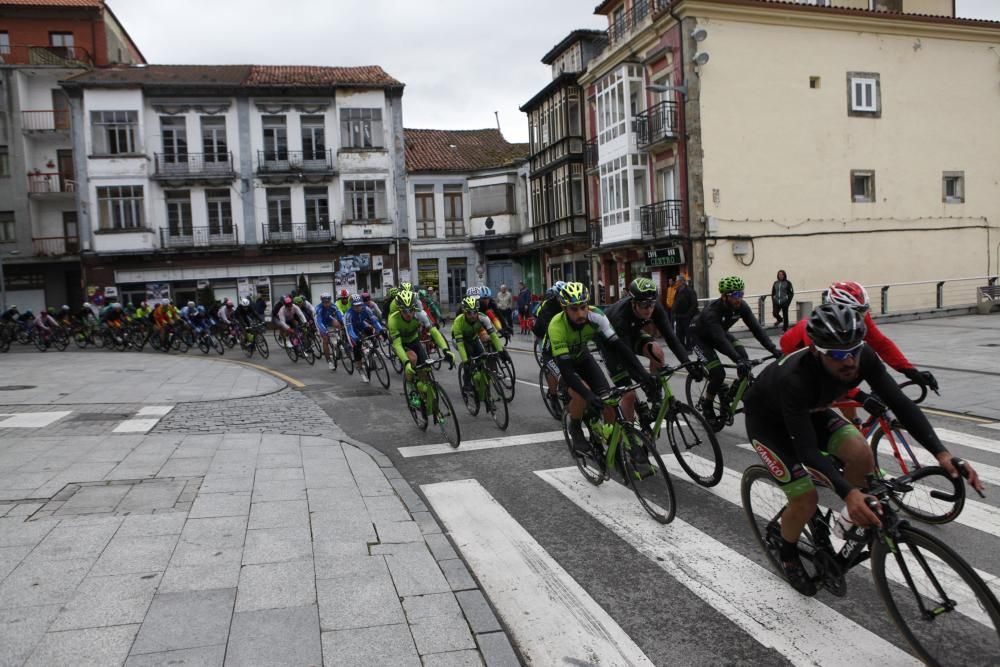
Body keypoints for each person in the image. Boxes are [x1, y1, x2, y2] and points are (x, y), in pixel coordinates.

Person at [743, 303, 983, 596]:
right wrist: (849, 492)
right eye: (838, 355)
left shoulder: (862, 355)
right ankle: (788, 551)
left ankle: (849, 519)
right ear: (817, 351)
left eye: (854, 350)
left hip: (811, 411)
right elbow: (806, 450)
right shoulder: (796, 378)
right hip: (769, 425)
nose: (850, 362)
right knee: (805, 498)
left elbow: (900, 403)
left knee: (861, 453)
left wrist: (942, 453)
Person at [547, 282, 658, 457]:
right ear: (564, 308)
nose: (580, 313)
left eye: (583, 307)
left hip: (581, 355)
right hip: (556, 359)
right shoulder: (557, 326)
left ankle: (609, 441)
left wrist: (644, 375)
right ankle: (575, 428)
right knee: (581, 394)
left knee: (609, 400)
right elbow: (567, 371)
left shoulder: (596, 316)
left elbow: (619, 346)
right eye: (574, 309)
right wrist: (588, 395)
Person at [603, 277, 704, 421]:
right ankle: (631, 436)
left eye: (651, 303)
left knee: (657, 351)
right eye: (644, 304)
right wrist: (643, 377)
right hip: (610, 343)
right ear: (633, 302)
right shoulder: (620, 316)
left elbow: (672, 339)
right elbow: (626, 357)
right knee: (629, 393)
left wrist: (688, 364)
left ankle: (657, 401)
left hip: (631, 334)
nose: (649, 309)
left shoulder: (655, 308)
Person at [688, 276, 781, 426]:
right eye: (735, 295)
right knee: (718, 373)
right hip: (700, 338)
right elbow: (720, 340)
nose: (739, 298)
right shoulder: (712, 312)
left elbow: (757, 329)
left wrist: (773, 349)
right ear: (724, 296)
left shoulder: (742, 307)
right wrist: (737, 360)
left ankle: (730, 396)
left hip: (720, 334)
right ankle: (708, 405)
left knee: (745, 358)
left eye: (741, 294)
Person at [388, 289, 455, 407]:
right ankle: (411, 389)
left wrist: (446, 350)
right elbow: (397, 345)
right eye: (405, 311)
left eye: (411, 310)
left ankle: (426, 397)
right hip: (402, 344)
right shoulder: (393, 320)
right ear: (399, 310)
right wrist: (407, 363)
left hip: (414, 340)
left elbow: (434, 332)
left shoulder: (420, 314)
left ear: (415, 308)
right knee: (412, 359)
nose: (409, 314)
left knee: (425, 368)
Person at [344, 294, 385, 382]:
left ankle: (372, 348)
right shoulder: (348, 315)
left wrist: (381, 330)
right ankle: (360, 368)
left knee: (370, 329)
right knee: (356, 346)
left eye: (360, 304)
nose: (359, 307)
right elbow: (350, 330)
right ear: (352, 305)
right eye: (356, 305)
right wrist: (355, 339)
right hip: (352, 329)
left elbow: (374, 320)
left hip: (361, 325)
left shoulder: (366, 309)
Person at [315, 293, 345, 369]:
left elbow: (339, 314)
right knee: (325, 340)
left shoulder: (333, 306)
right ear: (322, 302)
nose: (327, 304)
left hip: (328, 319)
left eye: (328, 302)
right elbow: (319, 321)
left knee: (341, 325)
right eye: (325, 302)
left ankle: (339, 341)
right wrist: (324, 331)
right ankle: (329, 360)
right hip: (320, 323)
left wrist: (343, 322)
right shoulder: (319, 308)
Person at [671, 275, 698, 349]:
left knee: (688, 333)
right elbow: (676, 301)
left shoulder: (690, 291)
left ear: (682, 281)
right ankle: (682, 348)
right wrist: (673, 311)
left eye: (677, 281)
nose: (676, 282)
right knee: (679, 333)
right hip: (678, 316)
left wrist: (688, 314)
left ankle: (689, 348)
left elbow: (694, 304)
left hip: (687, 317)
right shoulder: (678, 290)